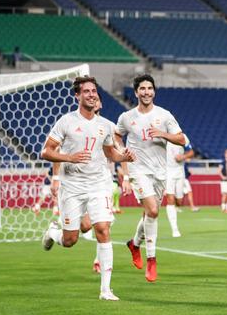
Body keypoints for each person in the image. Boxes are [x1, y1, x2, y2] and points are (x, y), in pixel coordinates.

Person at [40, 76, 135, 301]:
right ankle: (53, 233)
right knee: (70, 240)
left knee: (102, 228)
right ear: (78, 96)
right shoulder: (66, 121)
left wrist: (124, 156)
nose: (91, 94)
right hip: (72, 186)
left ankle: (106, 290)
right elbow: (46, 151)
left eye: (94, 91)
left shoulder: (105, 125)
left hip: (99, 184)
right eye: (87, 91)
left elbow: (111, 153)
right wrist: (68, 158)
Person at [116, 74, 185, 283]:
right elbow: (117, 135)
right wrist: (123, 155)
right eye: (142, 89)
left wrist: (163, 135)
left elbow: (181, 139)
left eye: (149, 88)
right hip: (139, 171)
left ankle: (134, 244)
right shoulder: (127, 117)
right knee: (153, 210)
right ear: (136, 92)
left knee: (149, 213)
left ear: (154, 91)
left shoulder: (164, 115)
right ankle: (152, 259)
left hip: (160, 172)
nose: (146, 92)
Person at [165, 136, 195, 237]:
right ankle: (175, 229)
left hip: (180, 172)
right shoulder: (163, 137)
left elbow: (191, 152)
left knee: (179, 200)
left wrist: (183, 157)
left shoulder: (182, 137)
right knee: (170, 199)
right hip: (167, 172)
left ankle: (177, 206)